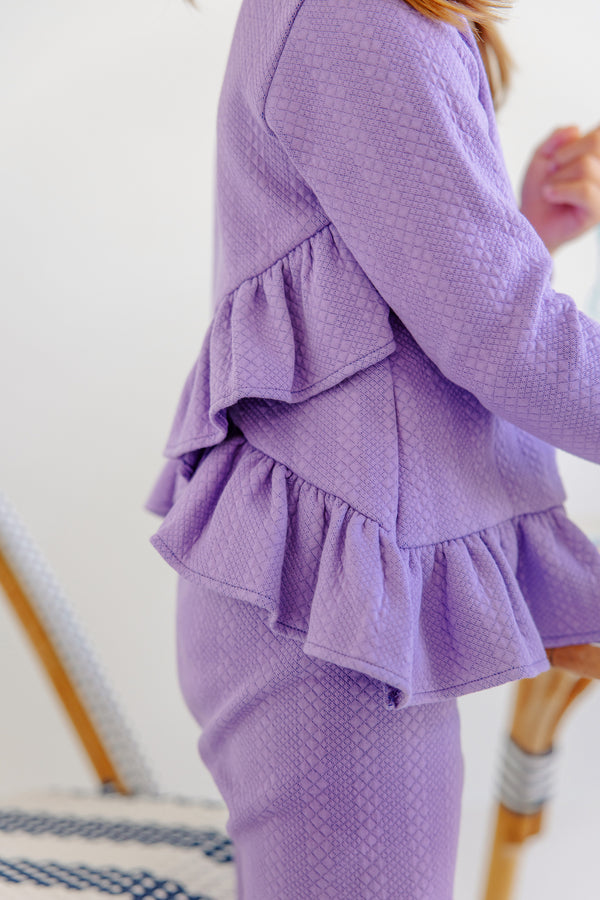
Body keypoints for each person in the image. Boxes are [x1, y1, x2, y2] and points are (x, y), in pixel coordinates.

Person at [144, 0, 600, 895]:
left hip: (328, 594)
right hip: (326, 613)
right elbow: (501, 332)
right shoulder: (356, 14)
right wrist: (494, 279)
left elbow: (437, 309)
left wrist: (510, 233)